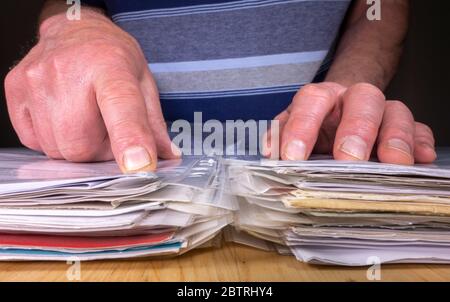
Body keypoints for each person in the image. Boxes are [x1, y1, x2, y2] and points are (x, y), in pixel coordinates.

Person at [4, 0, 437, 173]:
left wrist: (347, 93)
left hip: (306, 162)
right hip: (123, 169)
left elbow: (377, 8)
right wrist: (72, 25)